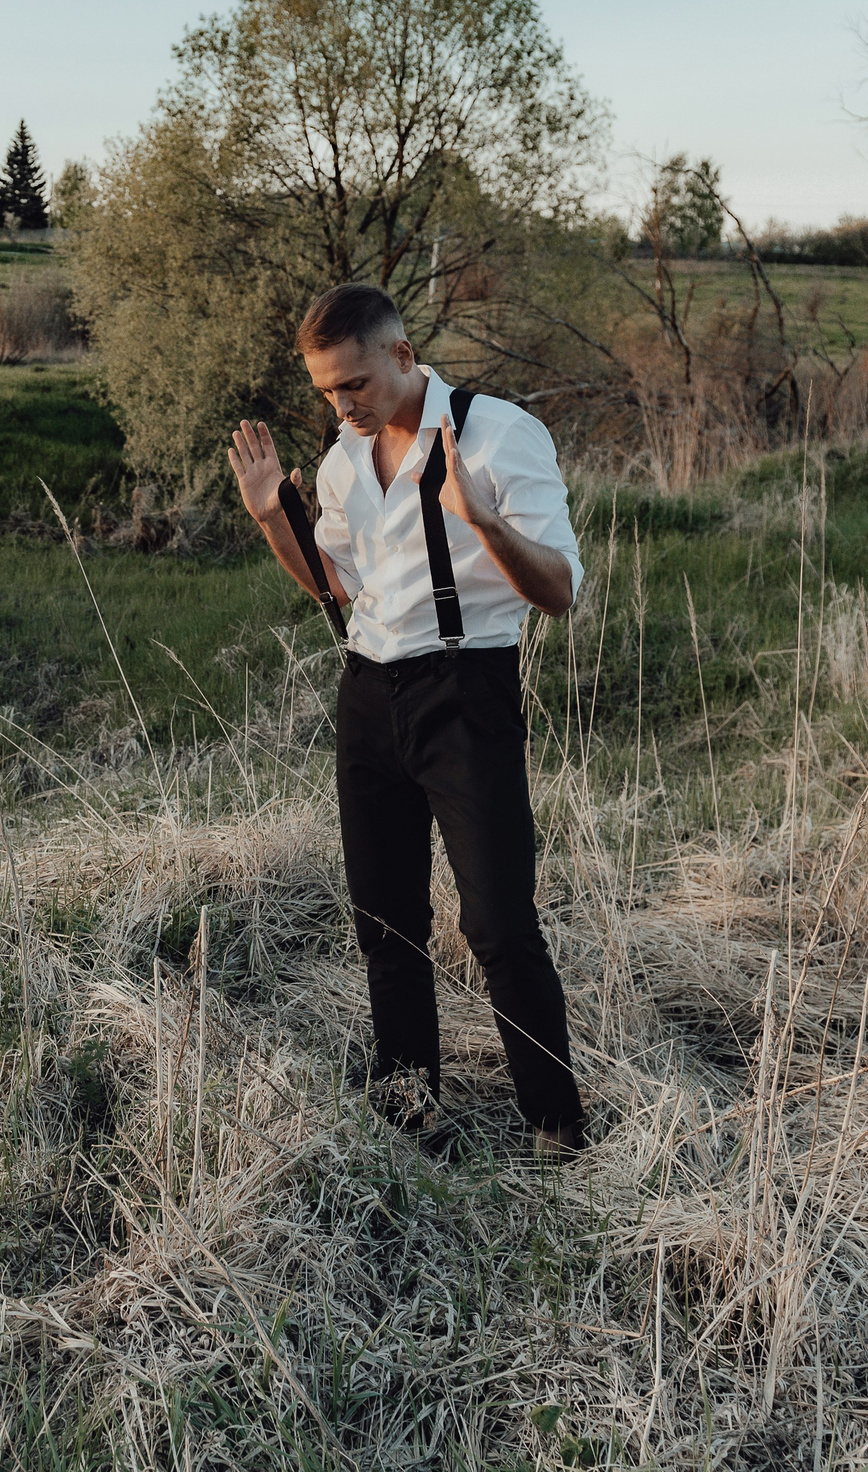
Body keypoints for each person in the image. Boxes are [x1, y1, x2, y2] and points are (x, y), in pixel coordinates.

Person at [226, 283, 587, 1157]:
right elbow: (334, 587)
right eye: (325, 391)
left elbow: (560, 591)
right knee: (385, 922)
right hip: (368, 693)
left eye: (354, 384)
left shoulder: (499, 434)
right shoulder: (343, 461)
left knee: (498, 924)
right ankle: (407, 1112)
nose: (342, 406)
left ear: (401, 354)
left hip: (466, 695)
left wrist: (484, 521)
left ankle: (556, 1128)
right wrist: (274, 518)